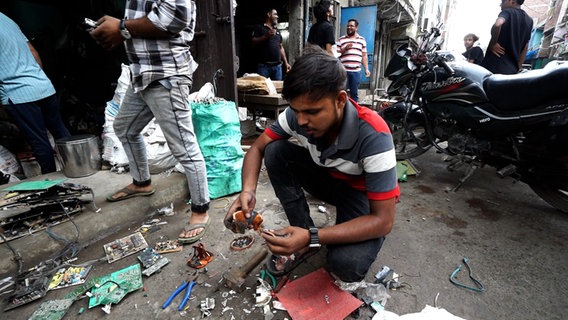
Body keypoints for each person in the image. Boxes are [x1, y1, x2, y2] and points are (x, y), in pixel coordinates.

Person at [224, 47, 399, 282]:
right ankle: (303, 233)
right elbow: (257, 147)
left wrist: (314, 235)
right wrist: (247, 190)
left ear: (340, 100)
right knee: (276, 150)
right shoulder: (297, 116)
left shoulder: (374, 135)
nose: (302, 120)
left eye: (312, 112)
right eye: (297, 111)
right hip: (329, 179)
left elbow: (383, 221)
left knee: (346, 266)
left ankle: (308, 237)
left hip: (361, 195)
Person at [90, 0, 211, 244]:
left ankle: (201, 209)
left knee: (184, 147)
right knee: (124, 128)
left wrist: (122, 27)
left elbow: (175, 16)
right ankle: (142, 183)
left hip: (167, 75)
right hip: (145, 74)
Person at [0, 12, 71, 174]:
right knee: (60, 131)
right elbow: (34, 53)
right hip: (43, 85)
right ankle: (77, 168)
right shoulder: (7, 20)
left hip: (18, 93)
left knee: (38, 140)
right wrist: (36, 79)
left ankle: (52, 180)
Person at [482, 0, 533, 74]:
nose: (500, 5)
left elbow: (498, 24)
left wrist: (493, 43)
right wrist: (518, 66)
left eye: (503, 1)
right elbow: (526, 45)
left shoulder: (508, 12)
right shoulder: (529, 20)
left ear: (512, 1)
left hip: (495, 66)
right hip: (511, 70)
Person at [336, 19, 370, 103]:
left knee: (354, 94)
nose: (349, 27)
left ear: (356, 28)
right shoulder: (341, 39)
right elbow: (336, 54)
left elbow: (364, 55)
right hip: (343, 71)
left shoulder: (362, 40)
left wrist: (366, 69)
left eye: (351, 26)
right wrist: (345, 49)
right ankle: (341, 113)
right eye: (348, 26)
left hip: (356, 72)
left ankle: (354, 113)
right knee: (341, 93)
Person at [251, 8, 291, 81]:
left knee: (277, 90)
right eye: (275, 14)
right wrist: (266, 36)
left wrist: (286, 63)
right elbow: (253, 42)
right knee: (263, 90)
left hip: (277, 67)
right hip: (264, 67)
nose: (277, 17)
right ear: (269, 14)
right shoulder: (260, 28)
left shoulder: (277, 31)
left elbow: (281, 47)